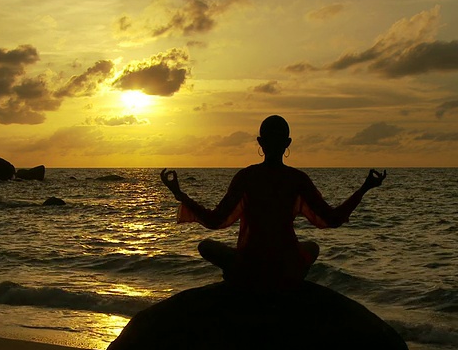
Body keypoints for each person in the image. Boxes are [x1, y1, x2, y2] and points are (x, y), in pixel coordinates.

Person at [161, 115, 385, 289]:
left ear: (261, 142)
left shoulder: (247, 177)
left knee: (205, 246)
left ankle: (239, 281)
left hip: (250, 264)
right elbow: (332, 219)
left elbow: (215, 220)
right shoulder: (297, 179)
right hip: (285, 265)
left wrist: (180, 194)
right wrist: (364, 188)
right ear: (287, 143)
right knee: (312, 248)